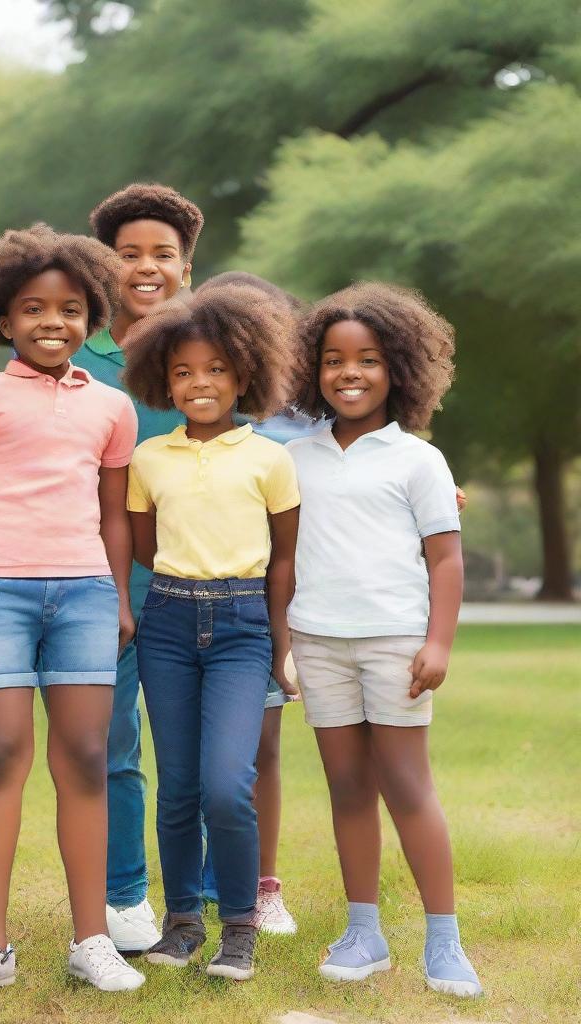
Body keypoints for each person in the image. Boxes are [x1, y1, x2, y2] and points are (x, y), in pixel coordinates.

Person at [0, 224, 145, 993]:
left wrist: (119, 597)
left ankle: (93, 940)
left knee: (86, 758)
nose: (52, 322)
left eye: (70, 309)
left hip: (85, 592)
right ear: (4, 319)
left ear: (93, 317)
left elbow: (115, 514)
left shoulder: (113, 408)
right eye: (33, 308)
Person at [287, 283, 482, 998]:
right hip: (319, 642)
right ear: (313, 369)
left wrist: (438, 644)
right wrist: (285, 640)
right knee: (347, 788)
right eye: (334, 359)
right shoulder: (296, 457)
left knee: (407, 786)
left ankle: (444, 942)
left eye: (367, 359)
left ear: (397, 369)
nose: (350, 373)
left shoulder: (418, 460)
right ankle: (364, 933)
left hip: (395, 644)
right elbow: (280, 558)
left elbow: (446, 559)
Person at [122, 284, 300, 980]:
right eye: (185, 371)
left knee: (229, 786)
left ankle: (239, 928)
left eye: (217, 370)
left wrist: (279, 646)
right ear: (163, 379)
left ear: (244, 374)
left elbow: (284, 557)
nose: (201, 383)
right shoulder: (149, 458)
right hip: (167, 622)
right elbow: (144, 544)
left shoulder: (269, 458)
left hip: (242, 626)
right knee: (179, 790)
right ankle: (182, 923)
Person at [77, 182, 204, 952]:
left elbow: (277, 440)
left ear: (188, 267)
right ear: (104, 266)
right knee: (113, 743)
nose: (146, 267)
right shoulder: (75, 354)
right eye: (129, 255)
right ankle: (126, 896)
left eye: (163, 254)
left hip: (199, 579)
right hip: (101, 580)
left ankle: (209, 895)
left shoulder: (208, 350)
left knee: (195, 749)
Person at [195, 271, 317, 934]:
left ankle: (262, 884)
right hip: (189, 602)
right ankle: (201, 882)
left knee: (261, 747)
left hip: (268, 608)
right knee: (201, 757)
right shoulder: (199, 407)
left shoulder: (302, 424)